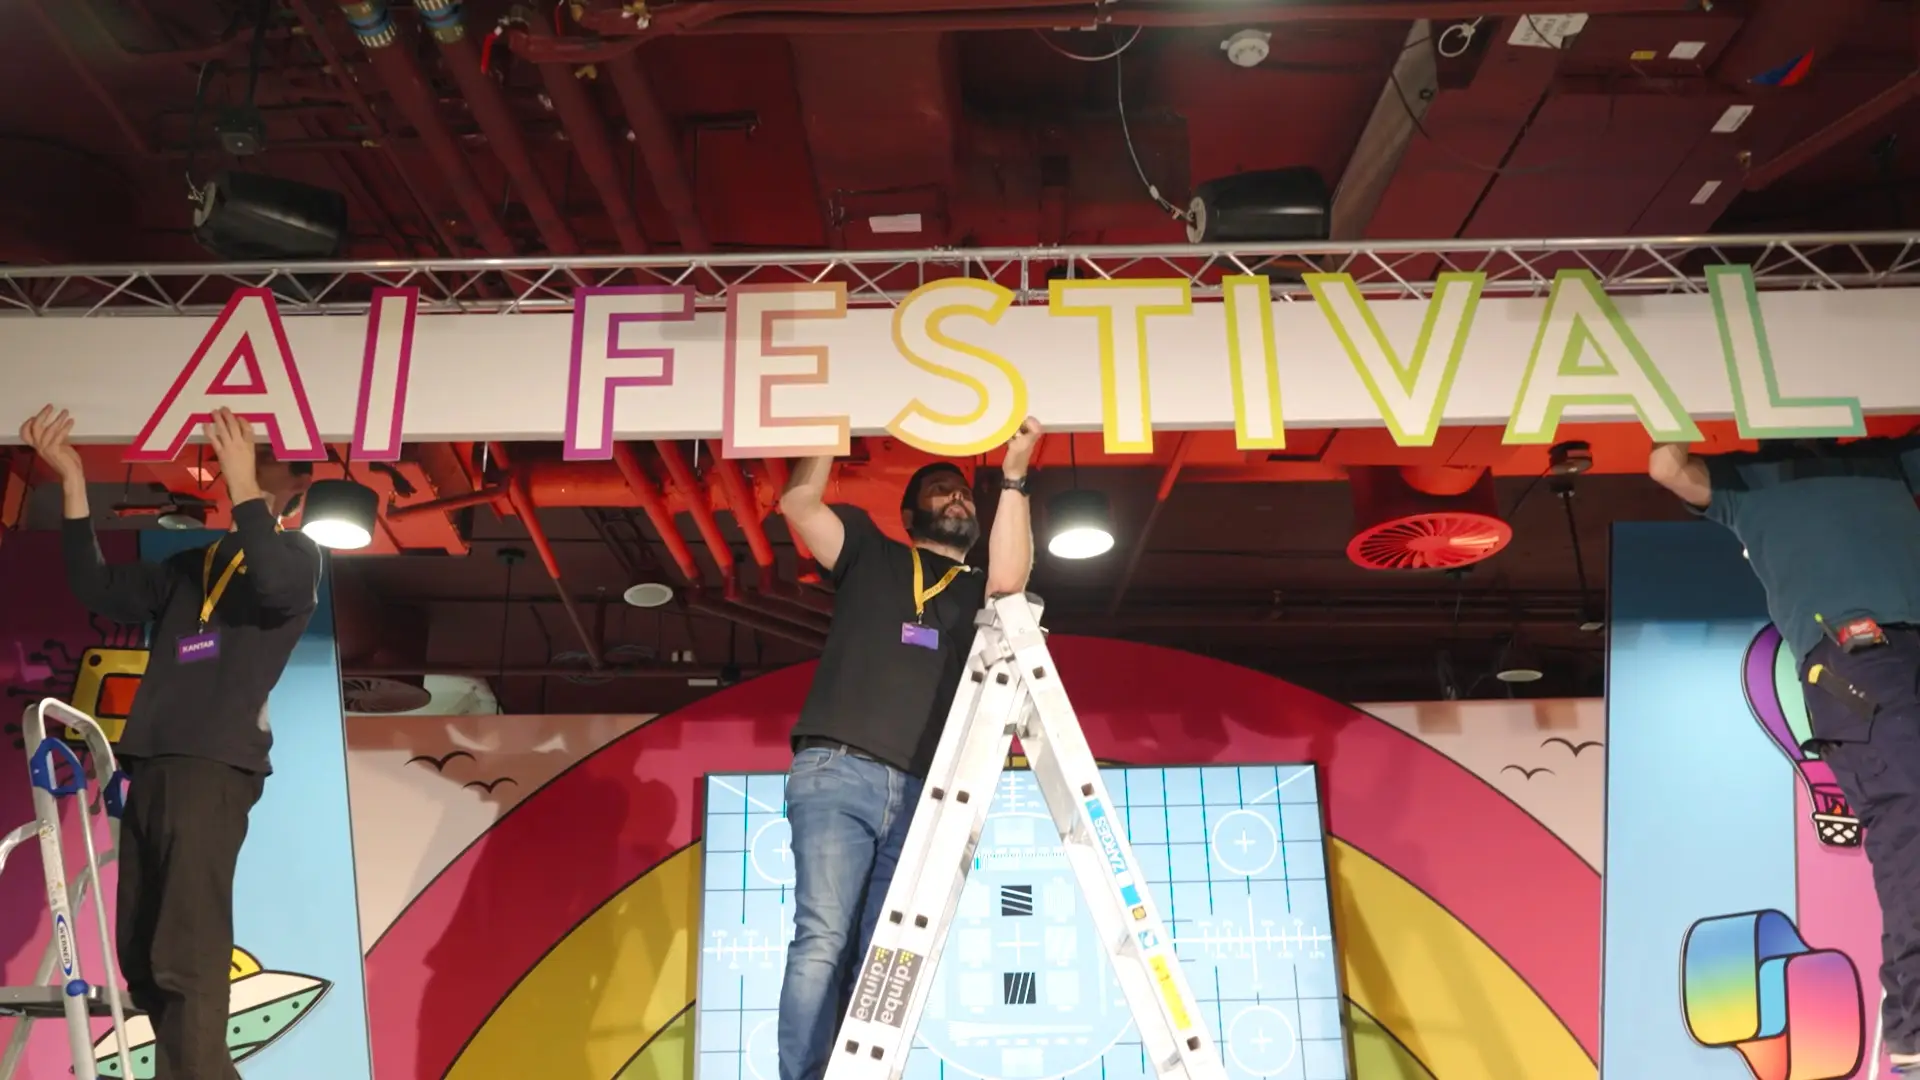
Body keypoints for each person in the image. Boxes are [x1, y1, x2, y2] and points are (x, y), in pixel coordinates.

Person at [19, 404, 320, 1080]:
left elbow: (270, 579)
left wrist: (247, 486)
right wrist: (70, 479)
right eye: (243, 446)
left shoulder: (299, 558)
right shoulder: (194, 563)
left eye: (262, 448)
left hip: (211, 768)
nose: (241, 449)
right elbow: (95, 585)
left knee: (186, 951)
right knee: (144, 955)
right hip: (151, 765)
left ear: (297, 478)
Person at [774, 418, 1041, 1080]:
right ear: (908, 511)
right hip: (838, 770)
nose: (956, 500)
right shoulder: (871, 551)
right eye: (941, 490)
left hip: (926, 791)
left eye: (963, 494)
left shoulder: (976, 589)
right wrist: (825, 433)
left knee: (881, 951)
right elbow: (798, 506)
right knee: (823, 939)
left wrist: (1014, 474)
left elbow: (1011, 583)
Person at [1650, 436, 1920, 1072]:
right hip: (1856, 655)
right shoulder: (1746, 480)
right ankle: (1913, 1025)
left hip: (1905, 643)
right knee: (1911, 818)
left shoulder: (1886, 456)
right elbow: (1667, 466)